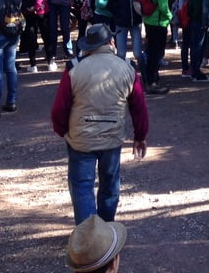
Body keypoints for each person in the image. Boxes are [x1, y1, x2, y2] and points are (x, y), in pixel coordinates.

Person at [51, 23, 149, 225]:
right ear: (111, 42)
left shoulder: (74, 69)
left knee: (82, 186)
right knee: (109, 186)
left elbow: (59, 108)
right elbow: (139, 106)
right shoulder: (127, 68)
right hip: (111, 138)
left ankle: (89, 238)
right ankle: (105, 234)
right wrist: (140, 136)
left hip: (80, 139)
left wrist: (63, 131)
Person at [140, 0, 174, 95]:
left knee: (151, 51)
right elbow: (163, 6)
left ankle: (150, 79)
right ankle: (152, 82)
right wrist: (170, 17)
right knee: (157, 54)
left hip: (148, 21)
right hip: (159, 23)